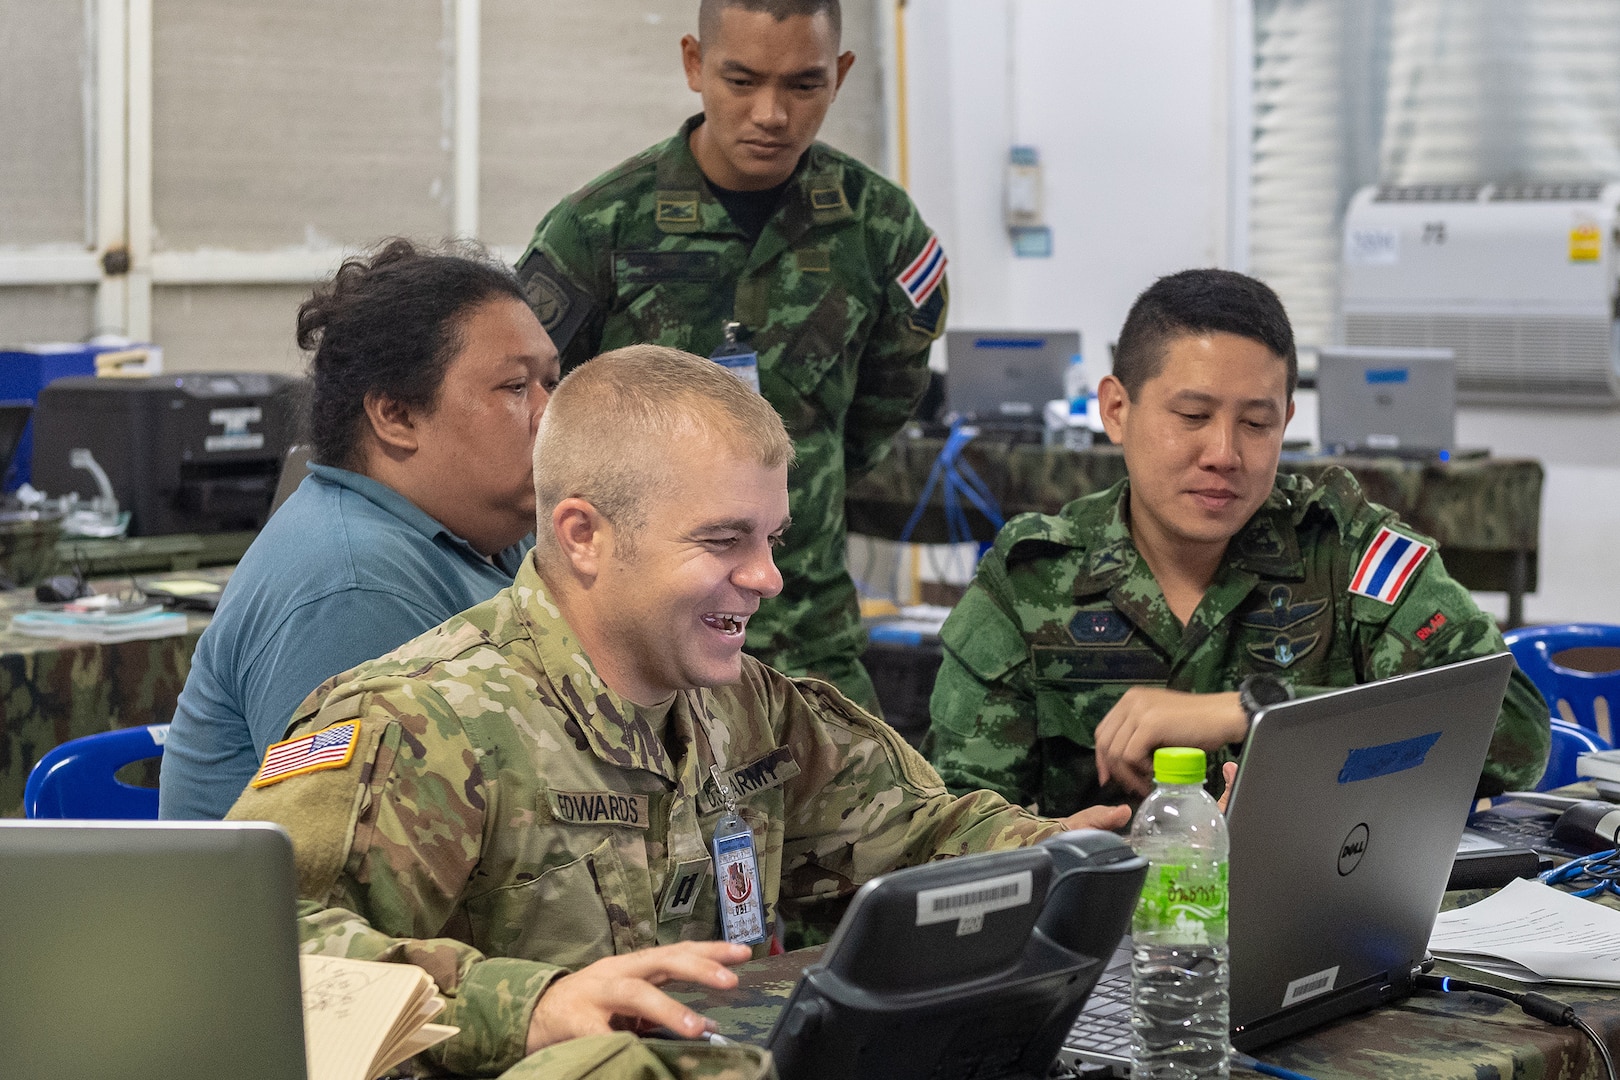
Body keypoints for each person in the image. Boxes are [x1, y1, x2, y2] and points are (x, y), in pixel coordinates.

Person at [224, 346, 1127, 1077]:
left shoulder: (746, 709)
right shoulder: (424, 724)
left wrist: (1051, 857)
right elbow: (254, 953)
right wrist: (527, 1005)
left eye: (770, 539)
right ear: (584, 535)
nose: (767, 579)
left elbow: (919, 833)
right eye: (723, 541)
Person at [924, 269, 1550, 817]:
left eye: (1256, 424)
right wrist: (1045, 839)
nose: (1224, 455)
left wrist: (1256, 712)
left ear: (1285, 424)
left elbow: (1515, 734)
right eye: (1192, 417)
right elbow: (954, 815)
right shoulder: (1032, 581)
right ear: (1116, 410)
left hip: (1319, 915)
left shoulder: (1347, 553)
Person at [514, 0, 946, 712]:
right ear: (694, 64)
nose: (771, 114)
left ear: (840, 75)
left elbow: (876, 416)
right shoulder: (600, 228)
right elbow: (532, 418)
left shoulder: (882, 230)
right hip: (639, 645)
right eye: (741, 81)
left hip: (809, 635)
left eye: (803, 85)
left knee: (862, 817)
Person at [159, 240, 561, 820]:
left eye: (552, 381)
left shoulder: (498, 532)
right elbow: (376, 852)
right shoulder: (353, 588)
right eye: (516, 387)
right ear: (395, 416)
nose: (551, 412)